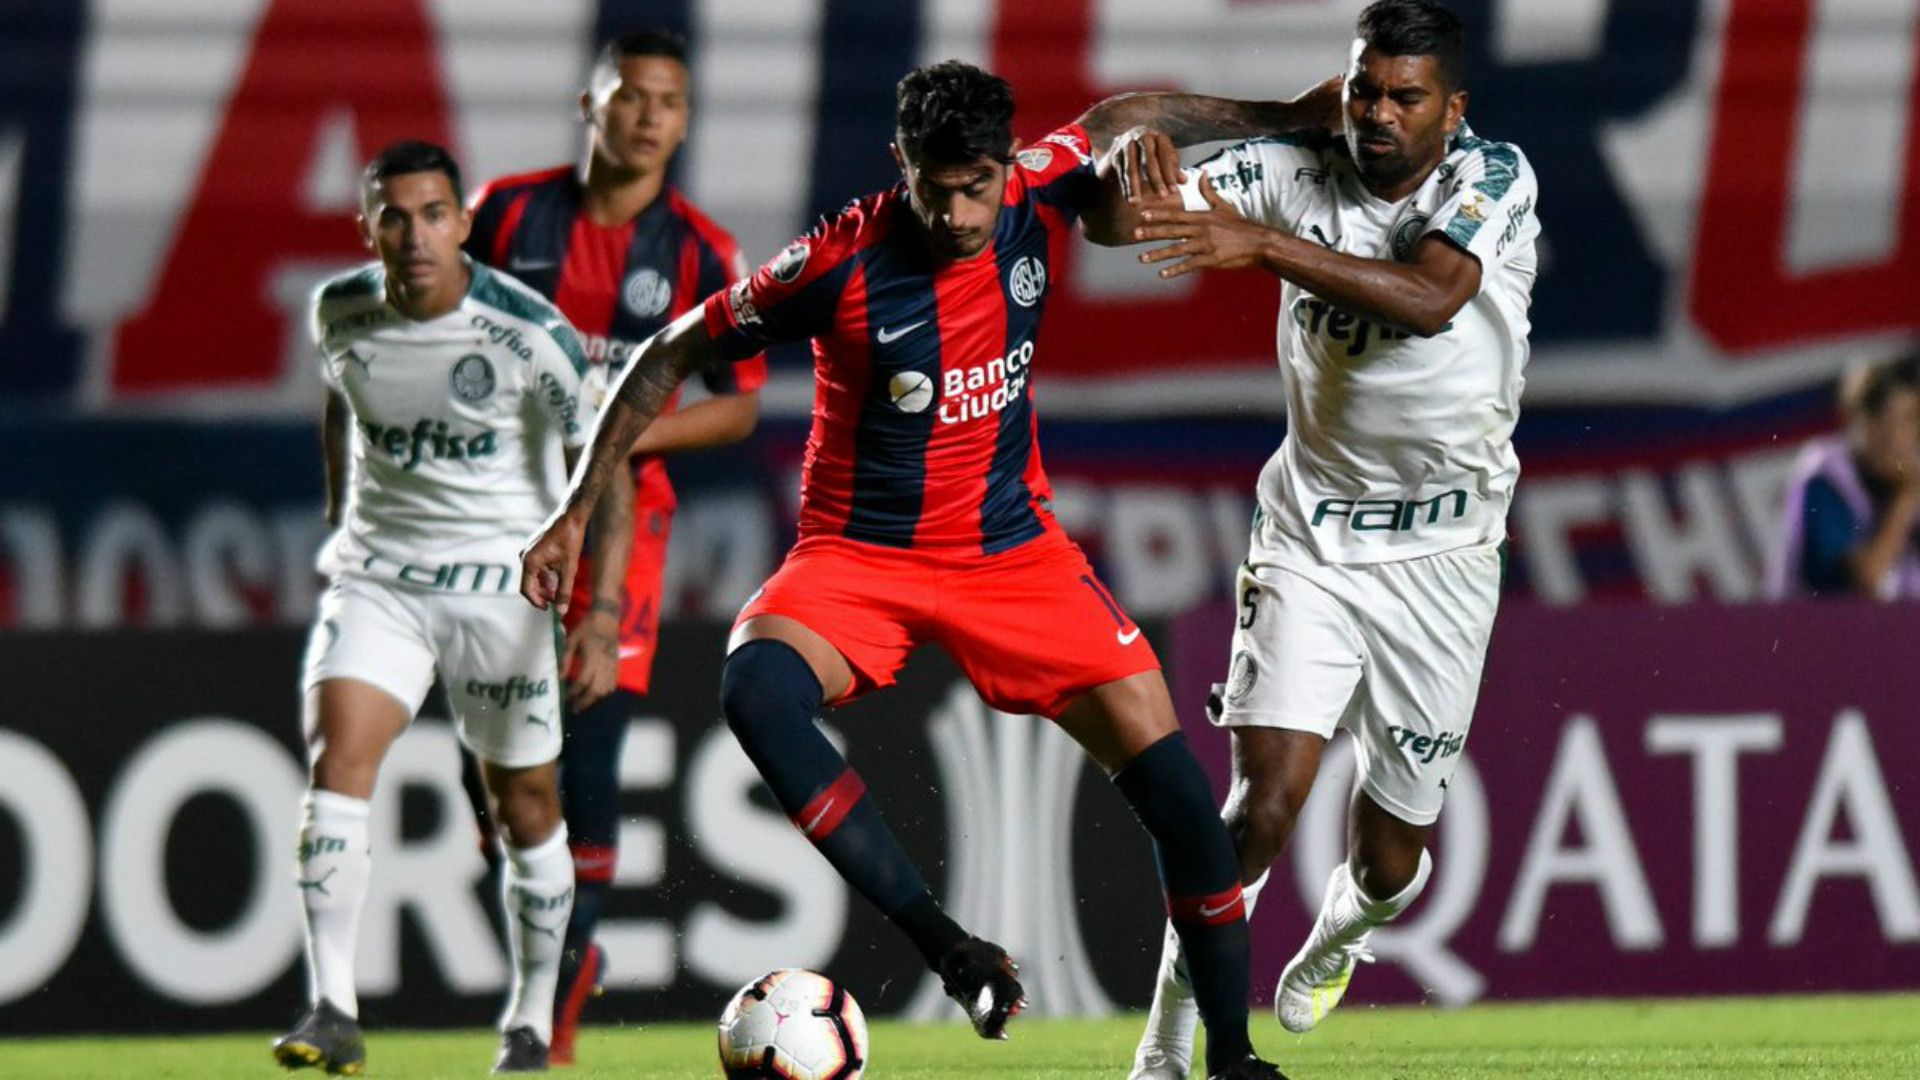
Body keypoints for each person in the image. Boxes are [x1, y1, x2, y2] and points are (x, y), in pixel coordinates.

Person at [520, 60, 1337, 1080]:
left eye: (977, 187)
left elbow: (1128, 112)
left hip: (1014, 554)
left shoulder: (1037, 183)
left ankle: (1230, 1060)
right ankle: (946, 945)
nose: (957, 214)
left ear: (1006, 165)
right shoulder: (835, 262)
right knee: (755, 689)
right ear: (900, 161)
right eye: (935, 188)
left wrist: (1283, 117)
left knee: (1179, 796)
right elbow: (670, 352)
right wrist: (572, 509)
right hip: (859, 558)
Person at [1109, 2, 1541, 1075]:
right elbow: (1114, 214)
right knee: (1258, 810)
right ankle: (1169, 1040)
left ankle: (1347, 925)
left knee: (1390, 858)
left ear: (1453, 110)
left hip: (1446, 553)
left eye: (1406, 97)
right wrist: (1169, 147)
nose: (1379, 114)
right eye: (1363, 90)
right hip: (1312, 536)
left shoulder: (1492, 176)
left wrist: (1260, 245)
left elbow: (1431, 298)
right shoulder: (1297, 167)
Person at [275, 140, 622, 1076]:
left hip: (501, 593)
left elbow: (605, 464)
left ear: (464, 223)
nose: (415, 235)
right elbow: (343, 399)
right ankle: (333, 1009)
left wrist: (602, 611)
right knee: (337, 762)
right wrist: (340, 507)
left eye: (434, 215)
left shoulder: (528, 332)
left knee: (527, 807)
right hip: (381, 580)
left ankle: (529, 1023)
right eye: (394, 217)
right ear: (368, 228)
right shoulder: (339, 310)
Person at [462, 29, 765, 1063]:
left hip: (622, 530)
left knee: (587, 758)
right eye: (630, 96)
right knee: (496, 775)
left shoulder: (700, 253)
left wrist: (620, 434)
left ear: (685, 123)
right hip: (492, 515)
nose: (648, 116)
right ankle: (541, 926)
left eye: (668, 102)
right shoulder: (506, 214)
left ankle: (555, 1000)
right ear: (590, 104)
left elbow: (738, 406)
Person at [1767, 353, 1920, 600]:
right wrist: (1907, 499)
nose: (1911, 434)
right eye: (1906, 419)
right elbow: (1866, 581)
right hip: (1808, 623)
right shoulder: (1823, 477)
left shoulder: (1899, 477)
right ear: (1866, 422)